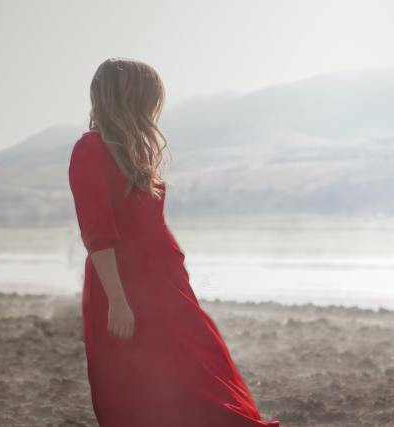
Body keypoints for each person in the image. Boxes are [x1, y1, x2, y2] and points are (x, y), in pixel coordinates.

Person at [68, 57, 280, 426]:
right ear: (129, 99)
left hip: (165, 285)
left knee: (198, 368)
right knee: (135, 384)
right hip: (123, 287)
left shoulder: (134, 153)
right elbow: (98, 234)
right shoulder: (91, 150)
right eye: (149, 99)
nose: (154, 110)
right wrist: (118, 301)